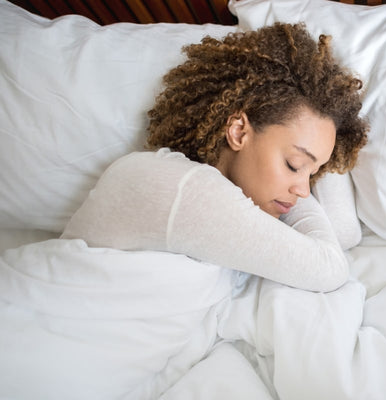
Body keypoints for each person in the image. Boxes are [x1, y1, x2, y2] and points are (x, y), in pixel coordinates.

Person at [61, 23, 368, 292]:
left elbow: (343, 233)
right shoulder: (180, 187)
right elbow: (327, 268)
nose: (303, 190)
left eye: (313, 176)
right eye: (294, 165)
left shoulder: (231, 200)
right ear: (238, 131)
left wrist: (323, 140)